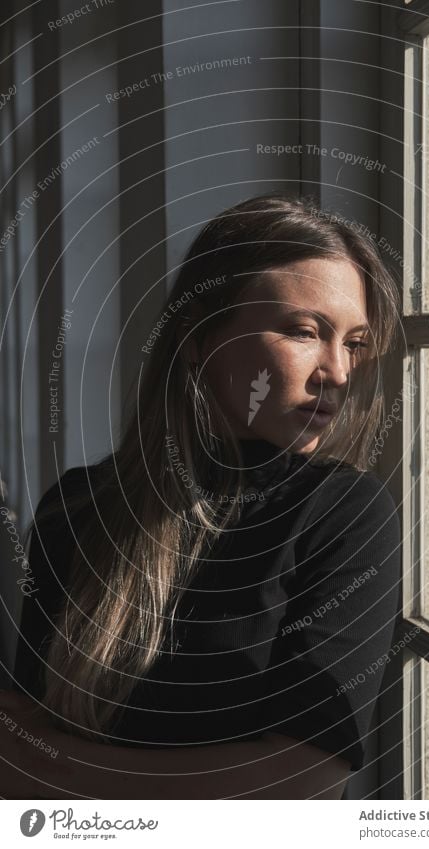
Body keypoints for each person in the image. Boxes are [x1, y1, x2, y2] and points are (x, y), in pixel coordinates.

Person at [3, 193, 401, 800]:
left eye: (353, 343)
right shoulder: (77, 504)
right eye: (304, 331)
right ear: (199, 338)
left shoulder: (344, 514)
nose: (338, 372)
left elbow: (298, 785)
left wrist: (66, 777)